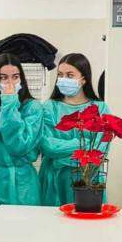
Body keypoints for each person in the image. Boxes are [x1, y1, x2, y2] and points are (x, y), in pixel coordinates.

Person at [40, 53, 110, 207]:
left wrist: (62, 154)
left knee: (87, 219)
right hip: (55, 179)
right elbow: (48, 146)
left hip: (88, 178)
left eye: (69, 75)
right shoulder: (49, 107)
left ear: (83, 79)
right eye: (60, 75)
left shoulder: (100, 108)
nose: (63, 79)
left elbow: (100, 149)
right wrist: (83, 146)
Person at [0, 54, 43, 211]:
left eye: (15, 77)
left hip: (23, 185)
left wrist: (9, 102)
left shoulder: (32, 108)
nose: (10, 83)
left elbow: (19, 146)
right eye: (4, 78)